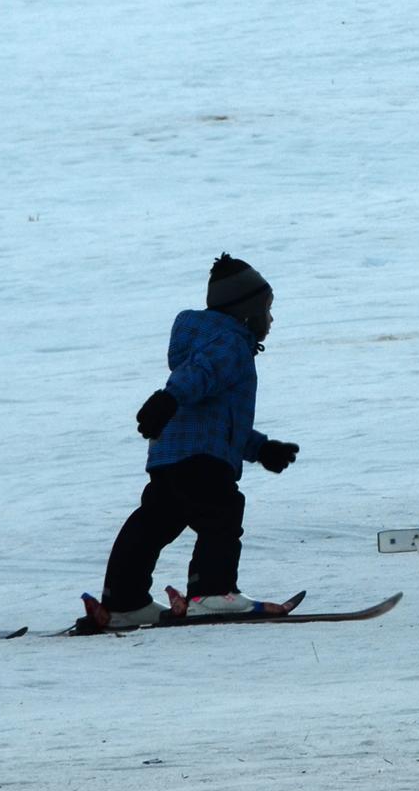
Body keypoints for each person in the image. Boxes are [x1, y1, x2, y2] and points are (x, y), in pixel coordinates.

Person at [100, 255, 299, 629]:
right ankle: (211, 591)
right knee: (222, 512)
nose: (271, 319)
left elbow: (220, 422)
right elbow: (201, 374)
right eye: (267, 310)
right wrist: (168, 398)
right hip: (202, 460)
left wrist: (261, 449)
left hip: (170, 455)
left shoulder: (207, 341)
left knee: (153, 523)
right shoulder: (230, 343)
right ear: (246, 313)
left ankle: (123, 600)